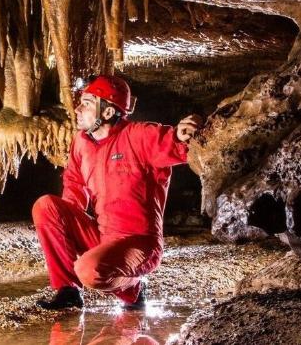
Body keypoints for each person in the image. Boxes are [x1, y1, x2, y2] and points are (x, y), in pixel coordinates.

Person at [33, 74, 202, 310]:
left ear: (108, 113)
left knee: (88, 269)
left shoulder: (138, 135)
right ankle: (68, 290)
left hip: (140, 245)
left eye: (87, 103)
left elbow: (172, 142)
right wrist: (67, 230)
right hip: (104, 237)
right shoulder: (81, 143)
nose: (78, 109)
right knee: (45, 206)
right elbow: (73, 182)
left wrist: (186, 133)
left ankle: (133, 287)